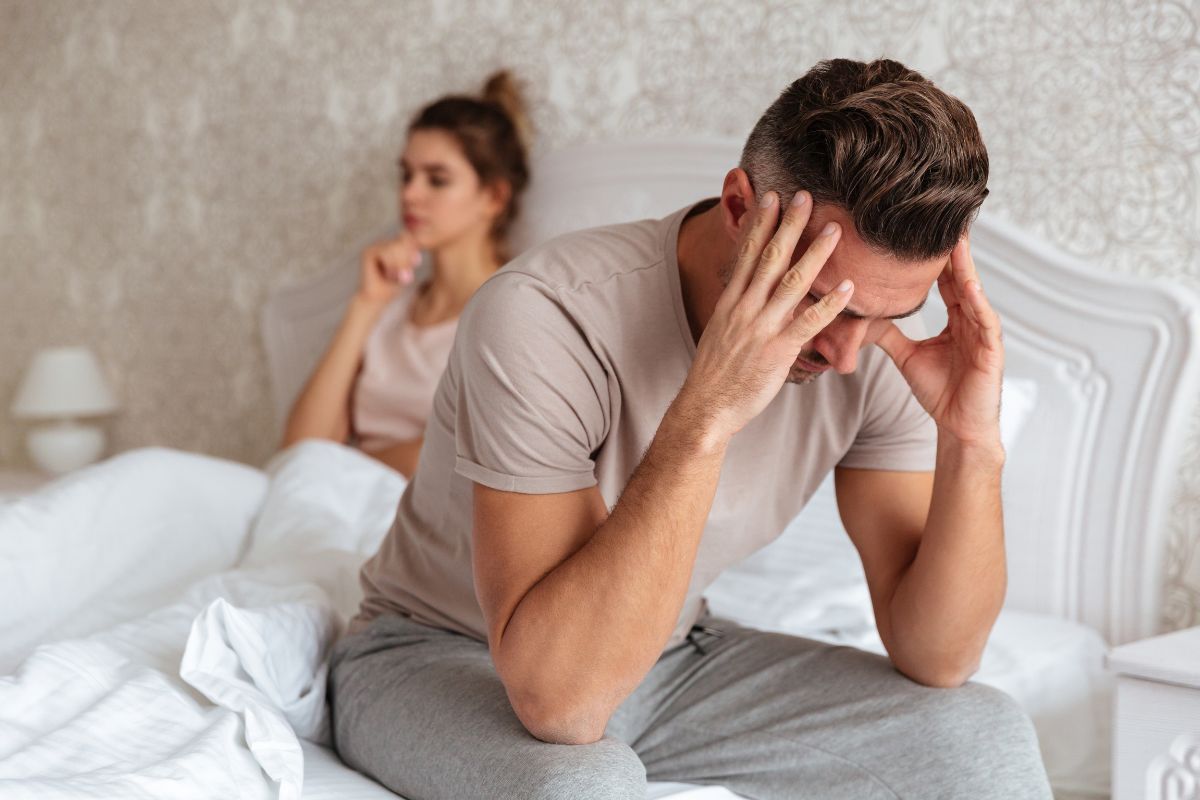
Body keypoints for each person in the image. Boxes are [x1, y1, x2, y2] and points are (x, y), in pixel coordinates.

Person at [329, 58, 1054, 799]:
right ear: (740, 207)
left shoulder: (871, 349)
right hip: (436, 654)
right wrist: (709, 410)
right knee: (584, 784)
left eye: (884, 315)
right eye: (818, 302)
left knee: (981, 733)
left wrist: (972, 444)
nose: (844, 351)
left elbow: (938, 658)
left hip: (668, 660)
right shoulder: (545, 314)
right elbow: (562, 702)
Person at [281, 71, 530, 479]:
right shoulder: (390, 305)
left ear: (494, 197)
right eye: (406, 175)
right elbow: (297, 452)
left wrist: (339, 469)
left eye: (437, 179)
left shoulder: (512, 312)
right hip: (338, 503)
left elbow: (461, 455)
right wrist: (366, 306)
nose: (410, 194)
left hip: (422, 521)